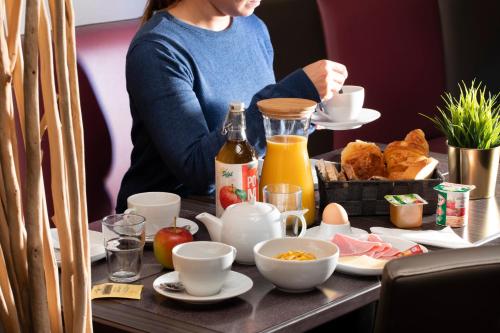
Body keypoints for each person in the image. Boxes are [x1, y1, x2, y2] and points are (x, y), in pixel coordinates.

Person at [116, 0, 348, 212]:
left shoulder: (253, 28)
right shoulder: (157, 49)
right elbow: (197, 169)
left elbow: (259, 137)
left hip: (244, 208)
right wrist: (292, 95)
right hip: (175, 222)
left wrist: (302, 113)